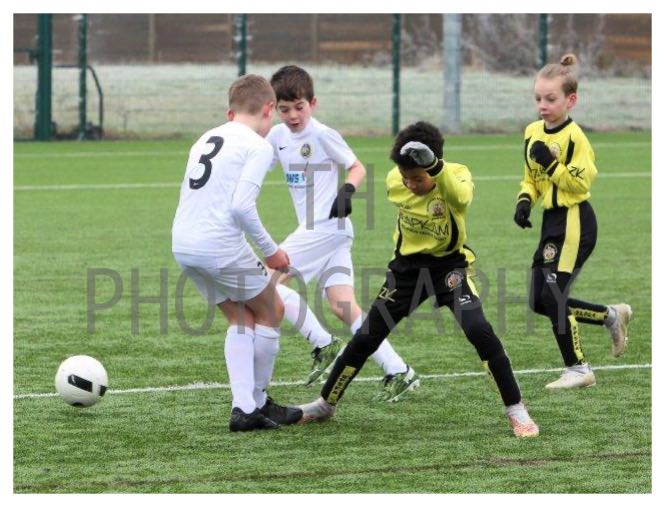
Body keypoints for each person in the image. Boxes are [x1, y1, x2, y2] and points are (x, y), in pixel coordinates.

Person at [298, 121, 540, 438]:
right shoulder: (394, 180)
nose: (410, 184)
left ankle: (516, 410)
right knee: (366, 336)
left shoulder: (456, 174)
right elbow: (404, 187)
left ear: (434, 167)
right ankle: (325, 404)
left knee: (479, 330)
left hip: (449, 268)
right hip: (406, 271)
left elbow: (461, 198)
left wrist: (436, 168)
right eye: (406, 177)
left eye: (418, 178)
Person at [266, 65, 420, 402]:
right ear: (275, 108)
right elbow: (258, 164)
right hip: (326, 232)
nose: (293, 116)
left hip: (325, 225)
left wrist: (347, 191)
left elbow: (357, 166)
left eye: (299, 107)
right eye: (284, 109)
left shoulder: (323, 135)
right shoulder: (276, 137)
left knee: (266, 281)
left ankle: (322, 343)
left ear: (313, 103)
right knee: (342, 305)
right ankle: (399, 370)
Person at [171, 74, 302, 432]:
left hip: (183, 245)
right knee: (272, 309)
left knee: (241, 317)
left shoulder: (205, 137)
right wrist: (271, 252)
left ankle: (245, 408)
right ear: (269, 108)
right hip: (219, 245)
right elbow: (241, 207)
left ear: (231, 112)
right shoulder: (258, 146)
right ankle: (257, 402)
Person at [513, 54, 633, 389]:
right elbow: (531, 177)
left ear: (571, 100)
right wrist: (524, 201)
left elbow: (579, 184)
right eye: (538, 98)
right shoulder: (532, 131)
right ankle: (610, 315)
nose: (543, 105)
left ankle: (579, 369)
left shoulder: (576, 138)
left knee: (553, 296)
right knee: (539, 300)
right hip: (551, 222)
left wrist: (551, 165)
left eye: (551, 99)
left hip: (575, 221)